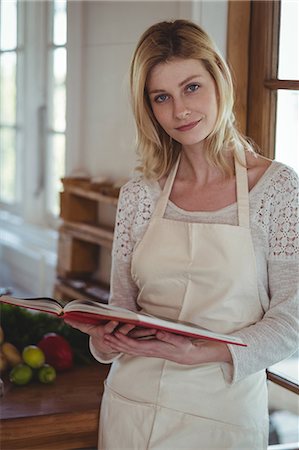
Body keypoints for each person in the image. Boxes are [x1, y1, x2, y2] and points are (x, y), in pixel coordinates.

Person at [65, 19, 299, 449]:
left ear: (220, 80)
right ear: (149, 107)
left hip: (221, 413)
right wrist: (103, 338)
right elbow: (123, 305)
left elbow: (291, 321)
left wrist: (203, 353)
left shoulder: (277, 188)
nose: (180, 111)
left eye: (192, 87)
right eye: (162, 97)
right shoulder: (138, 195)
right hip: (129, 408)